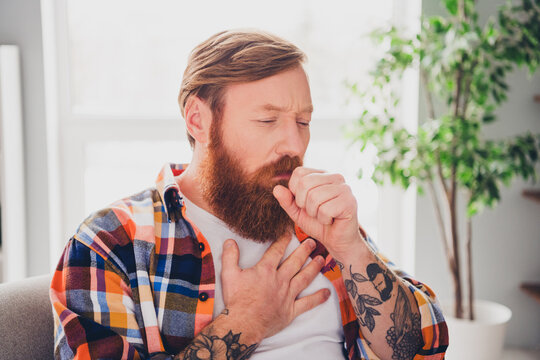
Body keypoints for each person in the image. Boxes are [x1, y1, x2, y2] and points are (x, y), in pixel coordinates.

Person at [50, 29, 448, 360]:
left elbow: (421, 347)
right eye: (267, 120)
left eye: (303, 121)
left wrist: (353, 249)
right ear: (198, 120)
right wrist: (248, 321)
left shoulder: (318, 222)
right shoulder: (110, 243)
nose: (293, 143)